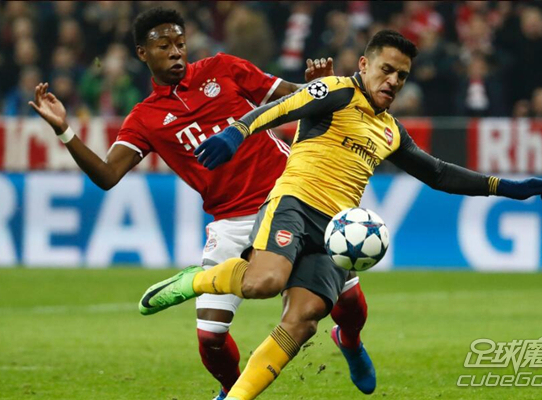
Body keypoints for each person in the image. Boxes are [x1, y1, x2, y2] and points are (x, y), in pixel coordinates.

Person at [141, 29, 542, 400]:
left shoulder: (391, 131)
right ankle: (195, 280)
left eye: (402, 76)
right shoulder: (337, 91)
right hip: (293, 204)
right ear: (364, 65)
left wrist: (506, 187)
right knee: (265, 282)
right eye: (387, 70)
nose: (393, 81)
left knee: (304, 321)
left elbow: (439, 173)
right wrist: (237, 132)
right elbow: (282, 108)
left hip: (336, 231)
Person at [29, 7, 374, 400]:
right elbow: (107, 175)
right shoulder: (145, 119)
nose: (176, 51)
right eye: (164, 46)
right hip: (231, 221)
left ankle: (349, 340)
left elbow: (292, 97)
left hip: (290, 198)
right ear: (142, 53)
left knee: (348, 302)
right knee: (210, 337)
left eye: (180, 43)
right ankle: (232, 389)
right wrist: (64, 130)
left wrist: (317, 87)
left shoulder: (222, 69)